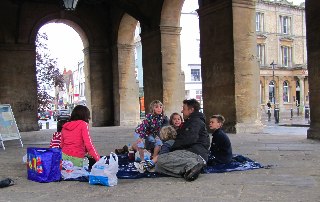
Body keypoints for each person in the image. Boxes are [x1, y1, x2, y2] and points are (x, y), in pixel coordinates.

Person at [155, 99, 210, 181]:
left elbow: (188, 140)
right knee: (158, 167)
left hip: (195, 153)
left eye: (184, 109)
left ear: (191, 110)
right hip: (190, 152)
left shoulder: (195, 122)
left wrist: (173, 148)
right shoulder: (190, 121)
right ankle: (189, 171)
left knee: (161, 159)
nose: (182, 111)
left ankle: (192, 164)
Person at [132, 100, 168, 168]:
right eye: (156, 107)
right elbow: (143, 127)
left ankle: (153, 158)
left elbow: (165, 125)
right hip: (140, 132)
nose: (159, 109)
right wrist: (140, 137)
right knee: (141, 144)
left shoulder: (162, 117)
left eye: (160, 107)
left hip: (150, 133)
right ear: (152, 108)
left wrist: (157, 135)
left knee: (159, 142)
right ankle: (142, 161)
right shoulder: (149, 116)